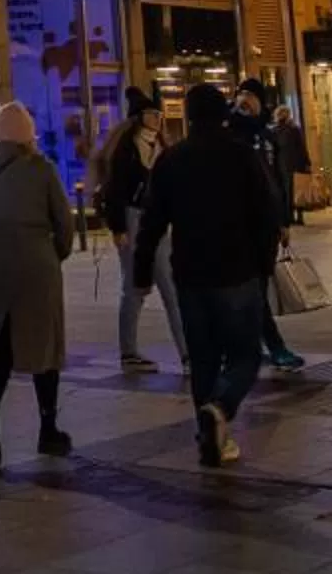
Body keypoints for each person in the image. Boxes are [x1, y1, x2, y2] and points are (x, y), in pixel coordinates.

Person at [131, 82, 283, 468]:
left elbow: (151, 221)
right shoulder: (242, 156)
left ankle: (208, 436)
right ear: (223, 114)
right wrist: (264, 264)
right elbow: (267, 212)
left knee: (203, 358)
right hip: (237, 270)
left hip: (191, 273)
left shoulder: (171, 159)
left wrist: (141, 270)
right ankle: (221, 407)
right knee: (245, 354)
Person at [0, 99, 76, 467]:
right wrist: (54, 253)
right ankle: (48, 428)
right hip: (36, 267)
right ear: (29, 135)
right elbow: (65, 224)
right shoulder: (42, 169)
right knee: (44, 346)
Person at [94, 88, 183, 373]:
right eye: (150, 114)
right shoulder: (126, 149)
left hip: (158, 221)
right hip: (133, 219)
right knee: (135, 287)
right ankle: (130, 352)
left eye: (158, 114)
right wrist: (118, 227)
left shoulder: (163, 149)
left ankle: (188, 352)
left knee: (170, 286)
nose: (156, 119)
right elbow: (116, 190)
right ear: (138, 117)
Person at [227, 83, 306, 372]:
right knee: (253, 290)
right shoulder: (231, 135)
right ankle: (274, 346)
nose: (245, 102)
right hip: (239, 225)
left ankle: (246, 346)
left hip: (267, 225)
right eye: (241, 96)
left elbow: (279, 181)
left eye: (250, 97)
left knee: (255, 287)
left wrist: (284, 220)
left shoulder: (267, 136)